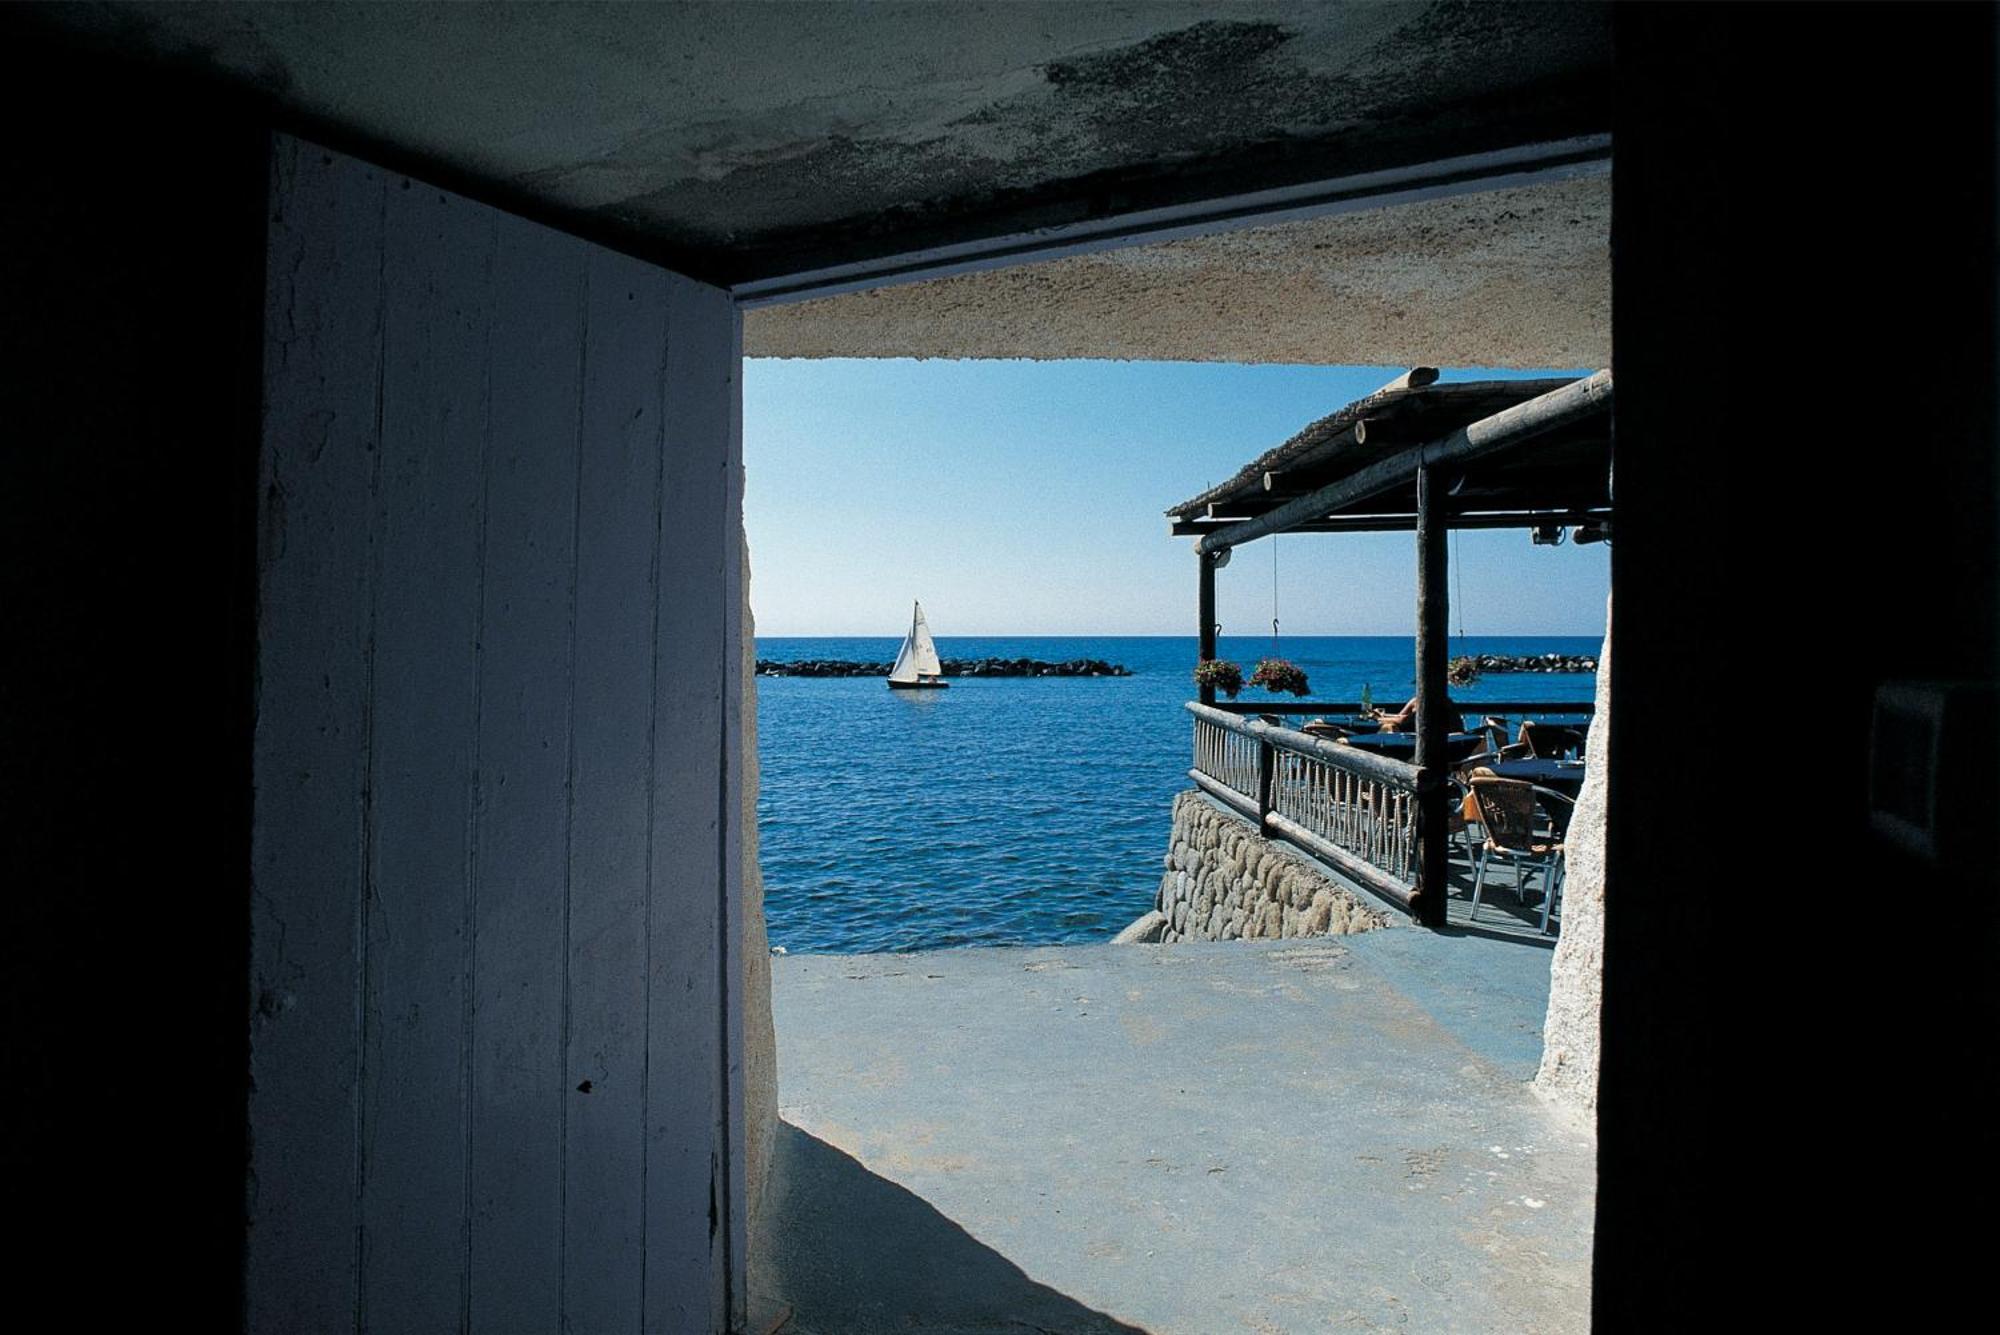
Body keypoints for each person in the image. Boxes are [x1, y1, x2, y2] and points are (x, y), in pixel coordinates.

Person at [1371, 692, 1465, 734]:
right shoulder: (1417, 701)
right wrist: (1384, 715)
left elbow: (1403, 720)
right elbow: (1402, 716)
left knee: (1389, 728)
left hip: (1442, 741)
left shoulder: (1431, 703)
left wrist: (1378, 719)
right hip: (1422, 736)